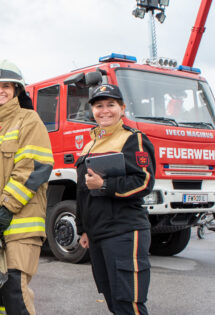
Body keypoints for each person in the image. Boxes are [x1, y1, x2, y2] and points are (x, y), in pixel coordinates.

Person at [0, 60, 54, 314]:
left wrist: (6, 207)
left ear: (17, 90)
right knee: (1, 292)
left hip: (23, 220)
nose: (0, 91)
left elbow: (34, 167)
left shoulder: (29, 120)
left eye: (6, 86)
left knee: (16, 288)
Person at [75, 83, 155, 315]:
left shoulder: (132, 139)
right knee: (112, 298)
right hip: (98, 234)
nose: (105, 110)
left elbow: (144, 181)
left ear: (122, 108)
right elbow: (82, 192)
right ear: (92, 111)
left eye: (111, 105)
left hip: (125, 231)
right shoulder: (89, 145)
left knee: (128, 303)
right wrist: (84, 229)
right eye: (99, 106)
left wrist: (105, 185)